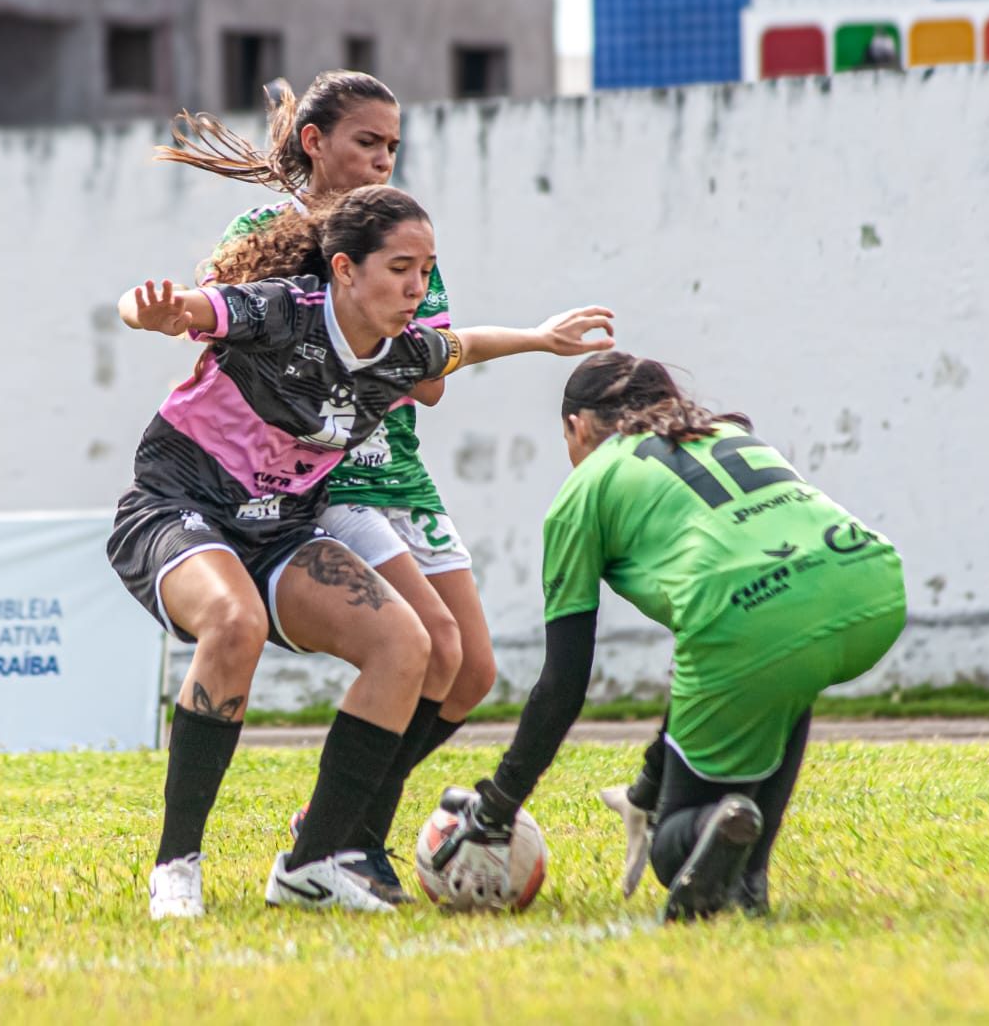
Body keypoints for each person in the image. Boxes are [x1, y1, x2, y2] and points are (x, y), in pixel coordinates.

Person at [108, 184, 614, 917]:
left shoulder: (406, 352)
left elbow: (467, 346)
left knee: (408, 645)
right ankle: (176, 866)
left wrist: (540, 338)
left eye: (426, 269)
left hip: (279, 530)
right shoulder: (284, 310)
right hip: (178, 509)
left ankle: (310, 864)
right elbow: (177, 306)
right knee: (235, 622)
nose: (419, 288)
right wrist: (148, 311)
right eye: (401, 269)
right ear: (344, 269)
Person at [157, 70, 501, 900]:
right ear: (314, 142)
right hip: (328, 476)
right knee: (431, 648)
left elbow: (431, 378)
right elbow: (220, 334)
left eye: (392, 145)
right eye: (366, 142)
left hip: (401, 470)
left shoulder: (401, 236)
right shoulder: (266, 231)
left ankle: (334, 827)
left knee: (473, 672)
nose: (383, 159)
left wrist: (393, 305)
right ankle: (344, 845)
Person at [429, 352, 906, 921]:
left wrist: (497, 808)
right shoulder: (730, 432)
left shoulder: (584, 491)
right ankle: (747, 881)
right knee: (784, 678)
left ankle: (719, 839)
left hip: (752, 617)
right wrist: (649, 778)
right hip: (872, 583)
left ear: (577, 428)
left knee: (672, 845)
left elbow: (562, 687)